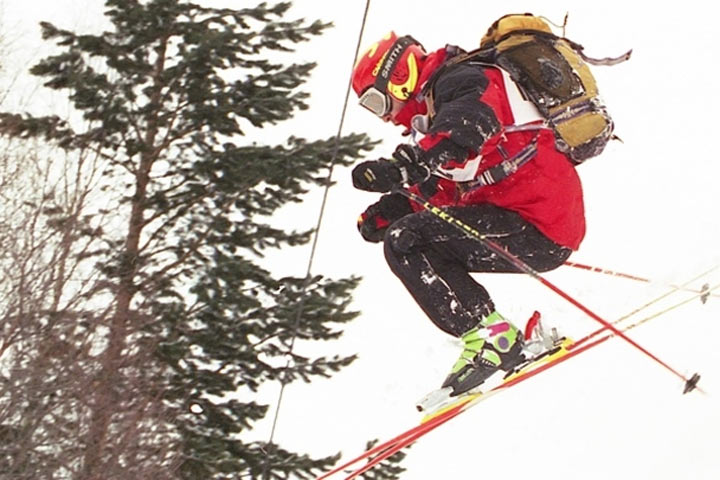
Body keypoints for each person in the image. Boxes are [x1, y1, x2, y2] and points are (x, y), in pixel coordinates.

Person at [350, 30, 586, 397]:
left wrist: (406, 167)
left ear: (399, 78)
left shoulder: (463, 80)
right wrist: (395, 208)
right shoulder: (436, 110)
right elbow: (445, 183)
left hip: (535, 220)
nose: (383, 118)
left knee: (406, 241)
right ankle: (491, 337)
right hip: (522, 218)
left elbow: (470, 127)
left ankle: (492, 339)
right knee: (407, 236)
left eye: (377, 102)